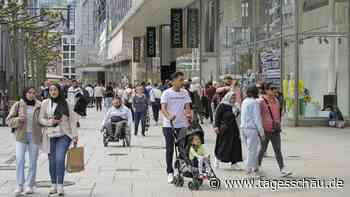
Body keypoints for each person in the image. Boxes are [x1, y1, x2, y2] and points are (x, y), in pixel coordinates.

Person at [39, 84, 79, 196]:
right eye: (51, 90)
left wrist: (75, 135)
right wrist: (50, 122)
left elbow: (72, 120)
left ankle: (60, 185)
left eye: (55, 90)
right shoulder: (45, 103)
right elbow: (40, 118)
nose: (53, 92)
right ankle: (53, 185)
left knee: (60, 158)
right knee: (52, 162)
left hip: (64, 135)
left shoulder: (66, 103)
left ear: (59, 91)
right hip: (49, 135)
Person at [6, 87, 42, 196]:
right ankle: (19, 185)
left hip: (34, 136)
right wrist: (18, 120)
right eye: (29, 93)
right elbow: (9, 120)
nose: (31, 95)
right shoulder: (18, 104)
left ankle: (29, 185)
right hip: (21, 136)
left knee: (32, 161)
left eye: (33, 93)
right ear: (25, 94)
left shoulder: (39, 105)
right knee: (20, 160)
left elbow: (43, 120)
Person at [161, 71, 192, 183]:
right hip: (169, 125)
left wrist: (188, 116)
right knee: (170, 149)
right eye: (180, 80)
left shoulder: (185, 92)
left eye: (183, 80)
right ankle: (170, 172)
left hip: (182, 125)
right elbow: (163, 108)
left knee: (182, 149)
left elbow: (188, 107)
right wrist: (169, 116)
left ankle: (181, 169)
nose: (182, 82)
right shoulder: (166, 93)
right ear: (173, 81)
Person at [258, 82, 292, 177]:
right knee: (262, 149)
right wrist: (258, 129)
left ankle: (282, 168)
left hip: (275, 129)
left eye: (275, 88)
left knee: (277, 150)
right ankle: (258, 165)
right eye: (272, 89)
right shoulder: (261, 101)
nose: (274, 90)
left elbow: (278, 114)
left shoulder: (276, 101)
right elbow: (256, 115)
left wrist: (278, 124)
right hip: (264, 129)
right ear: (266, 90)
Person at [213, 91, 243, 170]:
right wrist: (216, 126)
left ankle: (234, 163)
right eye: (232, 97)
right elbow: (217, 116)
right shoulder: (222, 105)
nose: (233, 99)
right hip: (224, 129)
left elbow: (238, 118)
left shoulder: (235, 106)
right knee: (223, 146)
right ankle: (217, 159)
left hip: (234, 129)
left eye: (234, 97)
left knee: (235, 146)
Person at [240, 85, 265, 178]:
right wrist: (262, 132)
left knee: (250, 150)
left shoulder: (244, 101)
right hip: (252, 129)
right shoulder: (254, 103)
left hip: (243, 128)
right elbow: (257, 118)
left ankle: (255, 168)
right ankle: (249, 170)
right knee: (253, 151)